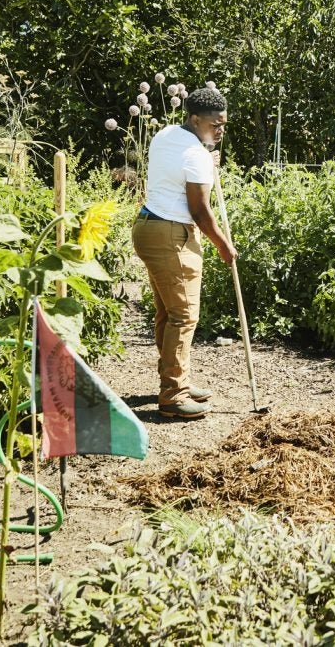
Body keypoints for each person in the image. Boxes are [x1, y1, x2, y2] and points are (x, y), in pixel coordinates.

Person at [132, 87, 237, 421]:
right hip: (171, 234)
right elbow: (201, 212)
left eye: (223, 124)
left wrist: (207, 151)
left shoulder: (166, 135)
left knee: (168, 311)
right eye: (214, 124)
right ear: (195, 119)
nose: (220, 130)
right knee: (184, 314)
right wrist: (224, 244)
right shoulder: (197, 156)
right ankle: (173, 396)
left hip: (148, 226)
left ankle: (175, 380)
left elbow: (184, 161)